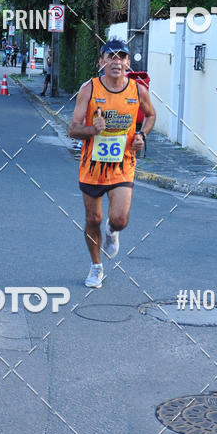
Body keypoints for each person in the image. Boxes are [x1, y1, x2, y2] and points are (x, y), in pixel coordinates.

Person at [68, 38, 156, 288]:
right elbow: (72, 129)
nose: (116, 62)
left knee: (119, 219)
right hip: (92, 166)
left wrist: (141, 135)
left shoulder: (138, 90)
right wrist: (92, 130)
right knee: (93, 219)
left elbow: (151, 115)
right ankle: (96, 266)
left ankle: (112, 231)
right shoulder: (89, 89)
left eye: (122, 57)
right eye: (111, 57)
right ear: (101, 62)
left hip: (122, 164)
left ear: (128, 63)